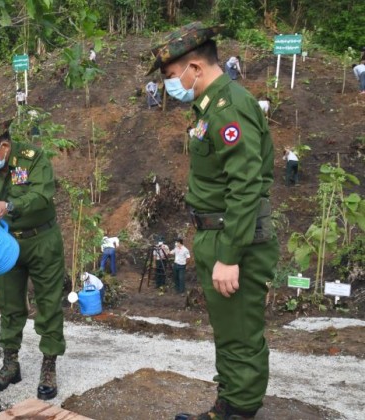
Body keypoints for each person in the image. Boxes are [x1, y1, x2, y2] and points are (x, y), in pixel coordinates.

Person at [148, 21, 279, 419]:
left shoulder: (229, 108)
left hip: (234, 237)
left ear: (195, 68)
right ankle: (228, 405)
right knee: (228, 329)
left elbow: (246, 185)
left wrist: (230, 255)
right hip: (216, 232)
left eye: (172, 75)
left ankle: (239, 411)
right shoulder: (209, 107)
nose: (170, 84)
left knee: (240, 332)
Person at [0, 118, 65, 401]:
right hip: (6, 244)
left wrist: (8, 205)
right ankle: (10, 365)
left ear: (4, 146)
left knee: (48, 303)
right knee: (9, 303)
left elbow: (42, 196)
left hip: (42, 240)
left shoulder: (32, 159)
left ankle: (49, 367)